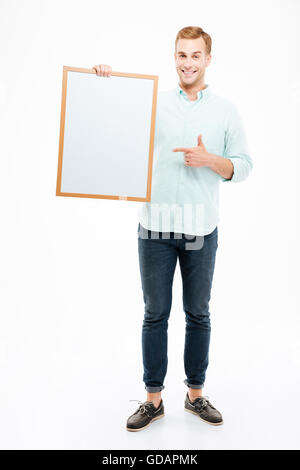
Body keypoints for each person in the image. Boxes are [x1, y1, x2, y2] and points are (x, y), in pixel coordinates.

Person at [93, 25, 253, 432]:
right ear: (174, 58)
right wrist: (105, 84)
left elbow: (243, 166)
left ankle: (196, 395)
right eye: (182, 55)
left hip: (201, 229)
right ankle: (153, 400)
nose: (188, 62)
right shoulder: (155, 103)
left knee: (197, 313)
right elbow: (116, 123)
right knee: (155, 314)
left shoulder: (226, 111)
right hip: (155, 228)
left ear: (208, 59)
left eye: (195, 55)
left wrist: (209, 160)